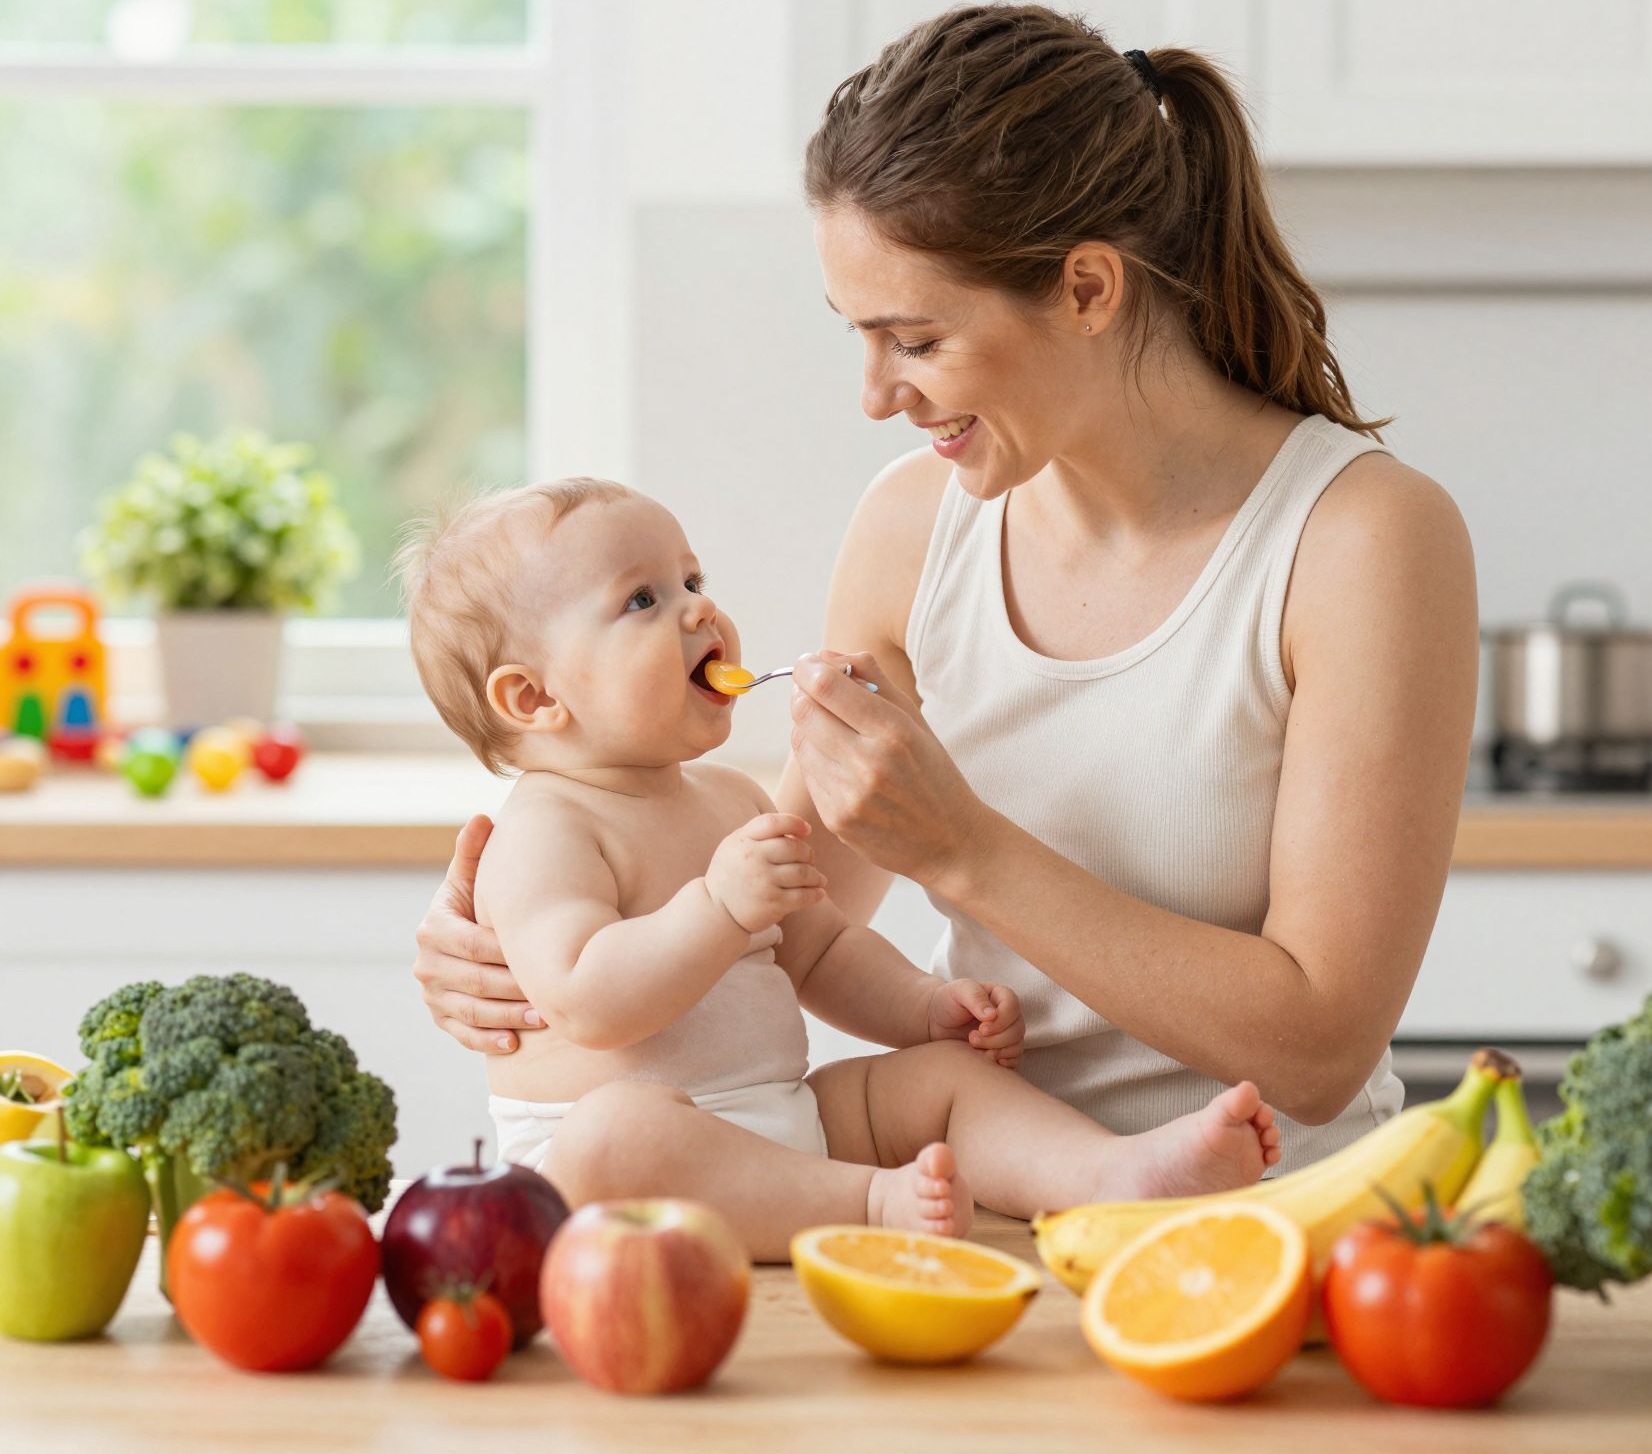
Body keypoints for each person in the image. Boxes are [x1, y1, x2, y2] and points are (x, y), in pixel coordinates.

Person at [413, 2, 1477, 1178]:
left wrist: (969, 851)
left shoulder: (1362, 539)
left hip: (1274, 1227)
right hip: (987, 1219)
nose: (875, 394)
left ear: (1084, 289)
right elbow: (791, 906)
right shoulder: (912, 527)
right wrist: (515, 941)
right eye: (857, 337)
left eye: (914, 342)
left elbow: (1319, 1047)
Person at [396, 477, 1281, 1256]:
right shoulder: (543, 831)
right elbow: (588, 1001)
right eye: (642, 601)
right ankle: (867, 1204)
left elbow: (817, 951)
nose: (701, 610)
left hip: (787, 1122)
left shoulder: (727, 800)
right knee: (618, 1132)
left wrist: (921, 1010)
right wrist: (718, 907)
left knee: (941, 1086)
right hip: (626, 1174)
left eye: (693, 582)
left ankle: (1111, 1177)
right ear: (534, 697)